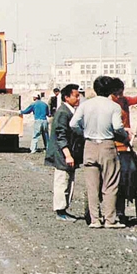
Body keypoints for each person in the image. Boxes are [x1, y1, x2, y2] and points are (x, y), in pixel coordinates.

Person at [70, 76, 129, 229]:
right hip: (107, 145)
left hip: (89, 145)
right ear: (110, 90)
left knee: (92, 185)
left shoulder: (85, 105)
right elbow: (117, 127)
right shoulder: (113, 107)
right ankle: (110, 219)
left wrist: (83, 132)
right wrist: (124, 135)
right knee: (110, 184)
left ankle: (95, 219)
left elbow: (73, 123)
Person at [44, 84, 84, 221]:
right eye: (76, 96)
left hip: (68, 153)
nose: (78, 98)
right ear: (67, 97)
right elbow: (60, 135)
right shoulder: (63, 112)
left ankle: (64, 209)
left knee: (68, 180)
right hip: (62, 154)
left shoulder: (70, 111)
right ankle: (60, 210)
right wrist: (67, 154)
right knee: (62, 181)